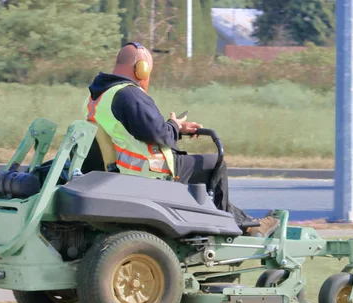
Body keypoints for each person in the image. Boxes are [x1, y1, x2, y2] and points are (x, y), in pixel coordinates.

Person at [82, 41, 279, 238]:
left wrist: (176, 128)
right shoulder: (128, 94)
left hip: (117, 170)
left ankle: (247, 223)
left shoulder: (98, 96)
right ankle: (228, 230)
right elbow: (158, 135)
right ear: (141, 69)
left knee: (201, 179)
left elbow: (141, 129)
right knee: (213, 164)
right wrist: (174, 127)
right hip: (147, 171)